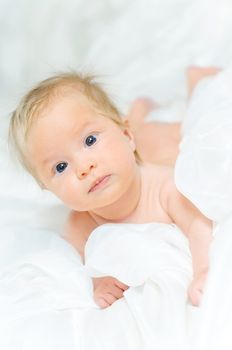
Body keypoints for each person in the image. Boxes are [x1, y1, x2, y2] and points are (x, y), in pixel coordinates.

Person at [9, 66, 218, 309]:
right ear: (48, 189)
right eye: (61, 166)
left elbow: (199, 225)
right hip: (133, 141)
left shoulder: (166, 188)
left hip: (162, 148)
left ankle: (195, 84)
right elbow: (81, 267)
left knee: (195, 126)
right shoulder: (79, 225)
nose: (83, 167)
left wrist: (203, 271)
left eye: (90, 140)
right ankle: (137, 113)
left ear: (126, 136)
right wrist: (100, 280)